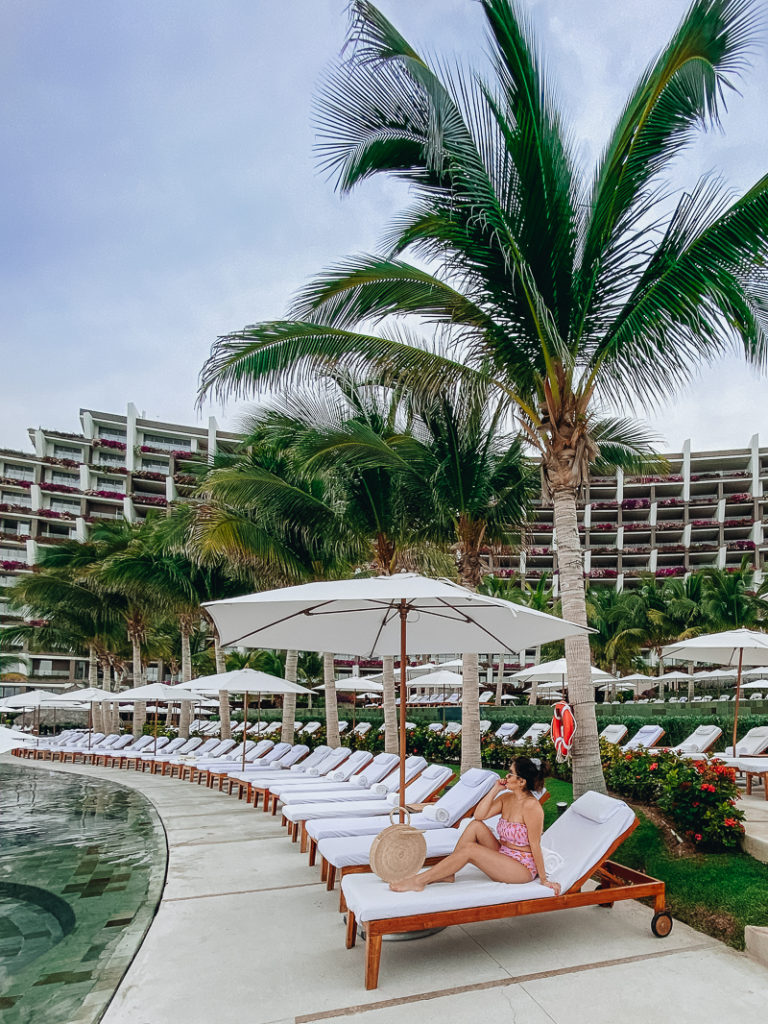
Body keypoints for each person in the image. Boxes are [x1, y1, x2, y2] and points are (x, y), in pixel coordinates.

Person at [390, 757, 561, 894]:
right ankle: (448, 872)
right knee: (475, 826)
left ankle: (419, 881)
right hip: (503, 853)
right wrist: (494, 790)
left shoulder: (532, 807)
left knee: (471, 850)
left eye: (510, 774)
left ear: (521, 781)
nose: (506, 776)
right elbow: (479, 816)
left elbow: (535, 844)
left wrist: (544, 879)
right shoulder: (506, 798)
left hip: (521, 867)